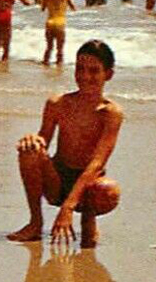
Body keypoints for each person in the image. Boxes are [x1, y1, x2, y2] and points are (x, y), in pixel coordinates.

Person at [7, 39, 123, 248]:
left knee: (109, 190)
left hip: (90, 184)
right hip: (58, 180)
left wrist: (67, 208)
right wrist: (33, 139)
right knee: (29, 151)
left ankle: (88, 220)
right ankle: (35, 222)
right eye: (80, 69)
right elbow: (44, 140)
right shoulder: (58, 103)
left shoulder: (110, 113)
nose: (85, 76)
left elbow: (97, 162)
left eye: (94, 71)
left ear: (108, 74)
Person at [40, 0, 76, 67]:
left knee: (49, 47)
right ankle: (59, 65)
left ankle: (45, 62)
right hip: (60, 23)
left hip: (50, 22)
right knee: (60, 48)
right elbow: (73, 7)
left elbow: (42, 9)